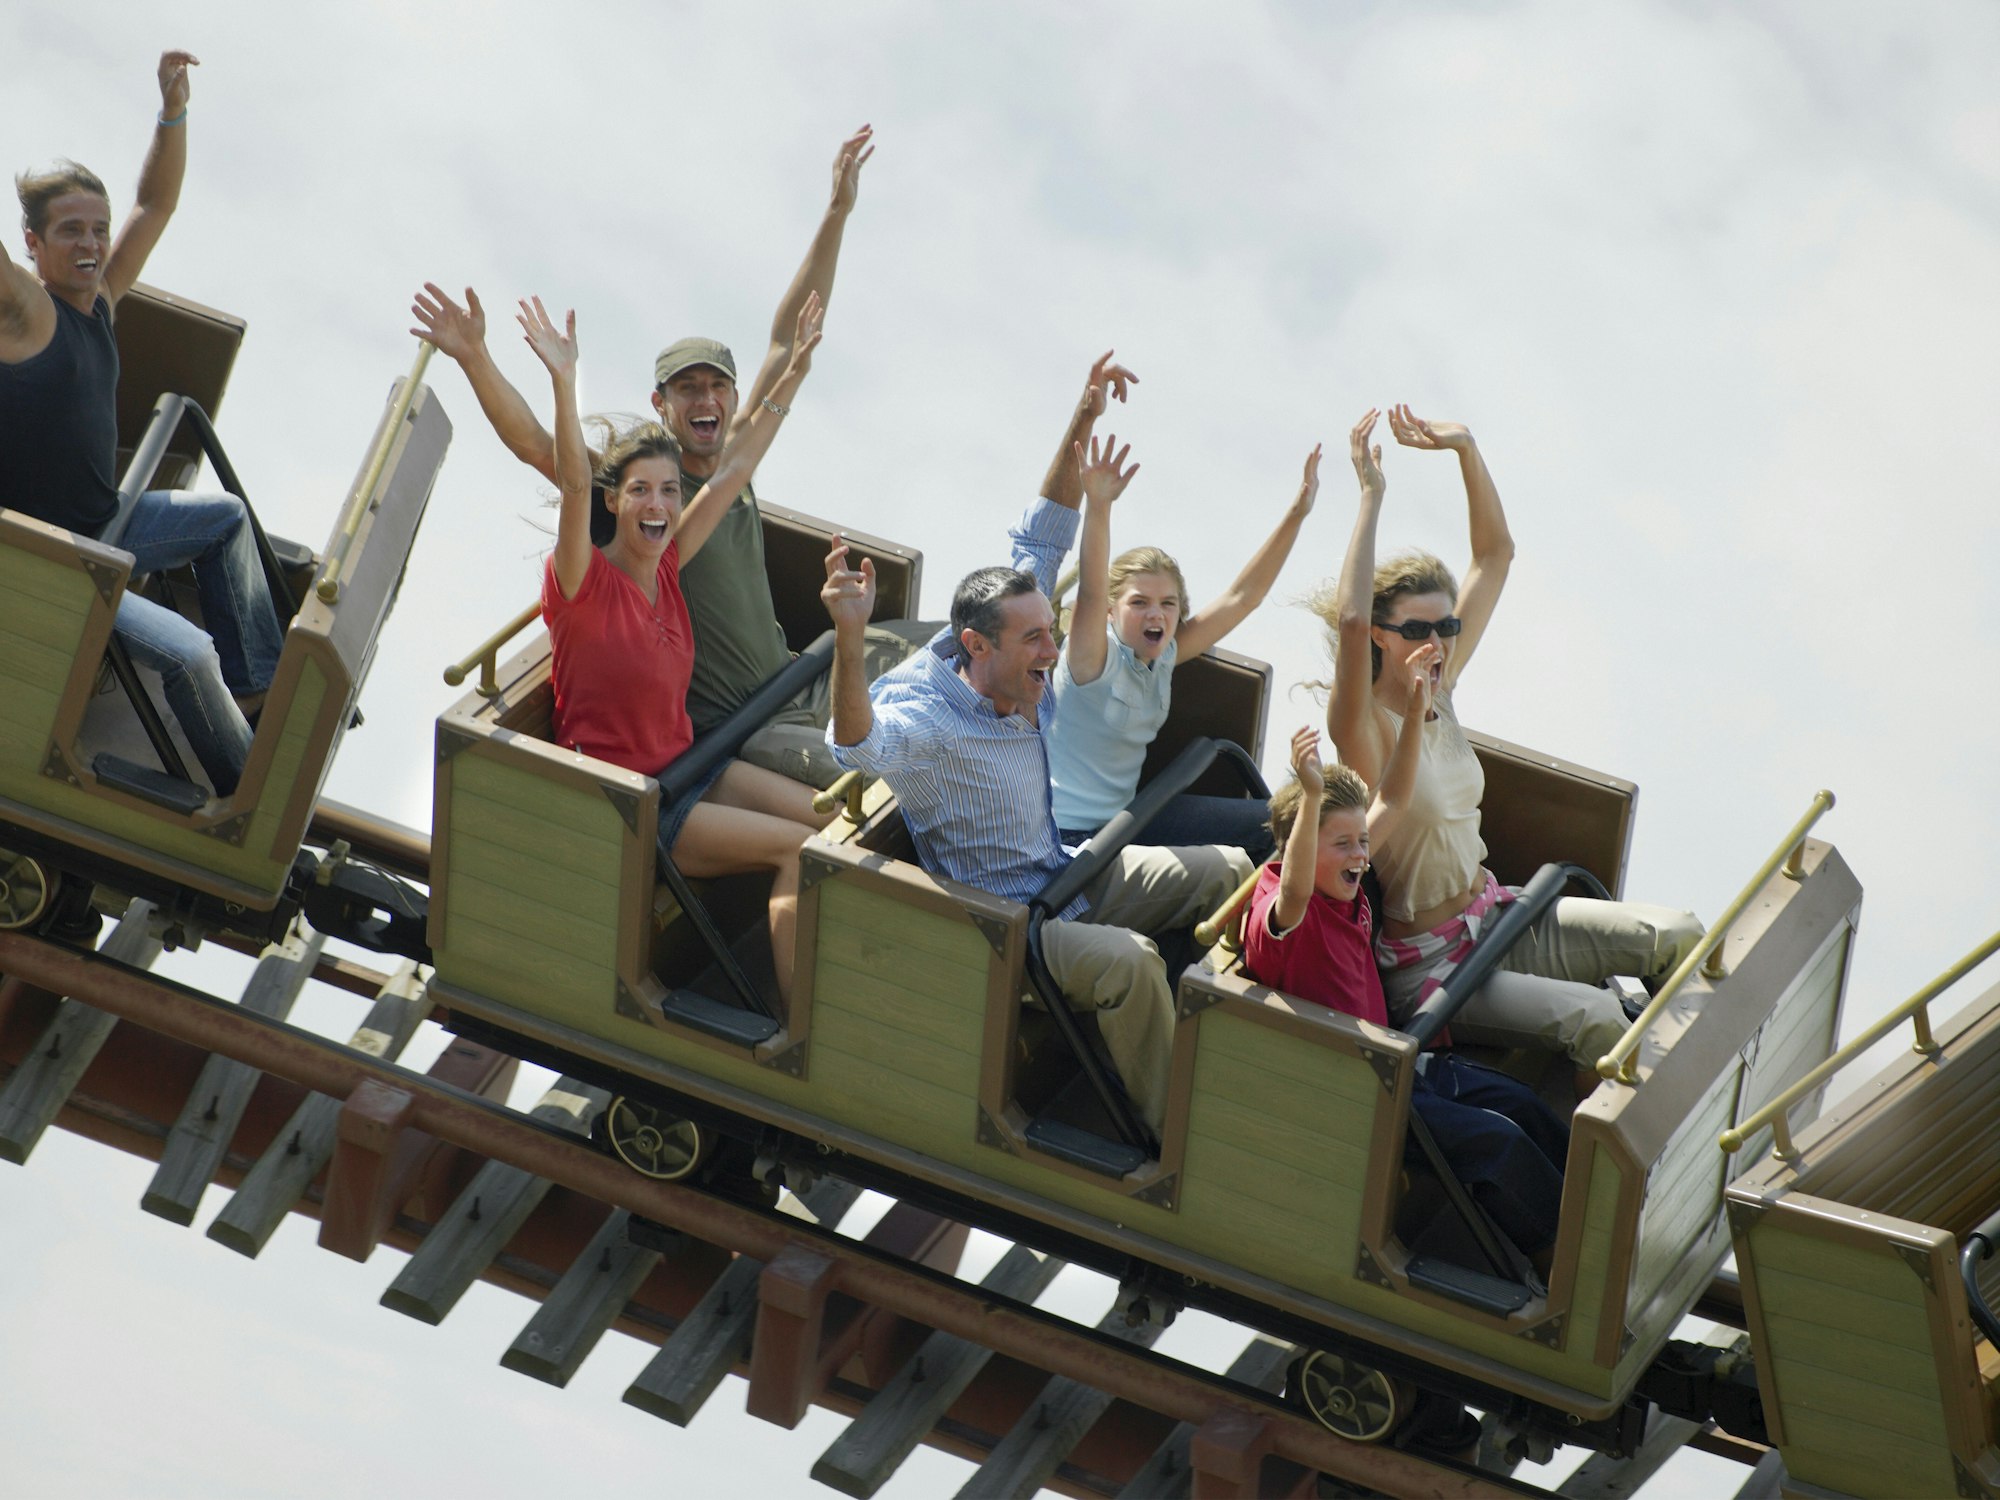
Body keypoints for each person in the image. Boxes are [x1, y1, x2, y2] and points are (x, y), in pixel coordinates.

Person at [410, 125, 927, 789]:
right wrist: (476, 357)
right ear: (662, 404)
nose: (704, 399)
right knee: (883, 781)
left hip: (802, 674)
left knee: (961, 649)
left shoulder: (736, 452)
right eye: (688, 389)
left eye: (717, 386)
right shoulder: (642, 496)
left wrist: (836, 211)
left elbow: (785, 336)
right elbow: (538, 445)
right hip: (743, 723)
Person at [820, 457, 1253, 1140]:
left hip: (1066, 867)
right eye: (1036, 640)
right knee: (1131, 961)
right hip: (1011, 930)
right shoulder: (932, 724)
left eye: (1051, 632)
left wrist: (1083, 414)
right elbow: (857, 746)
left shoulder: (1016, 643)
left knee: (1228, 870)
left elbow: (1042, 540)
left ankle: (1228, 1042)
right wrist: (850, 634)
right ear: (976, 647)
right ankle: (1178, 1136)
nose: (1054, 652)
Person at [1316, 406, 1702, 1070]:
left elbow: (1495, 554)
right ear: (1382, 634)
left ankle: (1696, 1082)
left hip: (1494, 919)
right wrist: (1370, 497)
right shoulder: (1363, 728)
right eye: (1414, 631)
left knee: (1681, 934)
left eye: (1446, 631)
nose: (1434, 645)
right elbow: (1349, 619)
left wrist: (1465, 448)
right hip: (1432, 964)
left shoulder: (1441, 682)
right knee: (1600, 1018)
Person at [517, 294, 829, 1006]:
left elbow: (735, 468)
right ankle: (797, 1030)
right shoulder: (582, 585)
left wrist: (797, 374)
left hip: (695, 768)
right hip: (643, 807)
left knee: (836, 825)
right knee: (797, 850)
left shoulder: (668, 567)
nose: (659, 504)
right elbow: (568, 478)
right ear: (615, 503)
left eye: (667, 491)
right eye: (641, 493)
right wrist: (564, 381)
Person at [0, 52, 283, 797]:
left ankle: (254, 686)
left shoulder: (101, 301)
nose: (92, 244)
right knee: (188, 654)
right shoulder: (25, 313)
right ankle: (242, 797)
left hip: (109, 522)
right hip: (61, 563)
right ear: (31, 243)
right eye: (70, 231)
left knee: (224, 517)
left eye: (97, 229)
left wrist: (173, 113)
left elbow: (155, 205)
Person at [1245, 720, 1570, 1259]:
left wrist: (1417, 704)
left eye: (1362, 842)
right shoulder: (1280, 908)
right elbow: (1297, 891)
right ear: (1298, 844)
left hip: (1405, 1064)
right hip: (1363, 1094)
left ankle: (1597, 1216)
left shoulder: (1344, 883)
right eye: (1343, 844)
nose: (1359, 856)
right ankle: (1561, 1255)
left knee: (1521, 1104)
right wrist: (1309, 794)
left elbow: (1394, 796)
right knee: (1499, 1144)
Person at [1047, 414, 1320, 859]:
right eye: (1139, 603)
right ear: (1113, 612)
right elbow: (1094, 590)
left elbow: (1242, 597)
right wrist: (1099, 506)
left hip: (1127, 822)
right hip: (1071, 840)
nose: (1155, 614)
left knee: (1278, 823)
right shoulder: (1092, 658)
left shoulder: (1164, 655)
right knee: (1221, 864)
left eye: (1167, 604)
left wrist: (1297, 513)